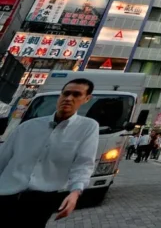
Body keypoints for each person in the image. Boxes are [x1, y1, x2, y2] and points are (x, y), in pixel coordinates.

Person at [0, 77, 100, 226]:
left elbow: (83, 164)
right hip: (7, 191)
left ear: (87, 98)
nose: (68, 98)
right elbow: (3, 158)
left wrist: (75, 192)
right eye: (65, 93)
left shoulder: (87, 127)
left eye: (76, 94)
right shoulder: (28, 127)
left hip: (41, 198)